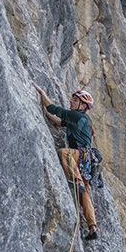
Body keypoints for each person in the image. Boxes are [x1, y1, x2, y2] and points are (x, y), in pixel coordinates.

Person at [33, 82, 99, 240]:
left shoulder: (78, 116)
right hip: (86, 162)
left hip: (80, 155)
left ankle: (77, 182)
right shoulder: (77, 120)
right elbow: (57, 121)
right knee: (85, 196)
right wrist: (42, 111)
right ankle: (92, 227)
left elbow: (55, 110)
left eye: (75, 101)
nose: (71, 102)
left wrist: (42, 93)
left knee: (64, 153)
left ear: (83, 106)